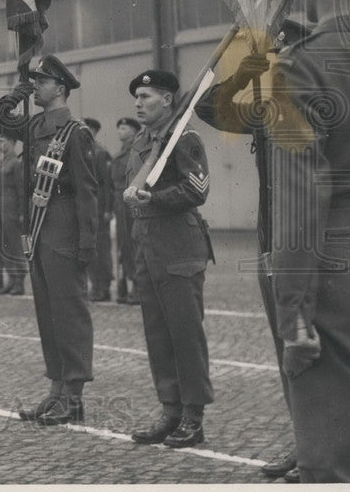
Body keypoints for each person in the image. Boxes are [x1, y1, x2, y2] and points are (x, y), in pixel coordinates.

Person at [266, 0, 350, 483]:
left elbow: (300, 201)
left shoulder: (304, 67)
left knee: (338, 463)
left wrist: (294, 313)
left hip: (341, 275)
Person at [193, 20, 308, 481]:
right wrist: (242, 74)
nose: (282, 67)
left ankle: (330, 446)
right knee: (288, 350)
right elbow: (207, 107)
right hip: (272, 246)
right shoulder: (267, 112)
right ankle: (307, 442)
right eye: (277, 60)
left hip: (313, 248)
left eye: (288, 56)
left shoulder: (329, 107)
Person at [0, 56, 97, 425]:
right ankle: (56, 389)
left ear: (60, 88)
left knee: (69, 314)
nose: (36, 86)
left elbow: (87, 192)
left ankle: (74, 396)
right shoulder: (34, 126)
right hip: (38, 226)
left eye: (41, 82)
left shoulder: (75, 132)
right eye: (33, 81)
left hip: (64, 226)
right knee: (47, 314)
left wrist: (87, 244)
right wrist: (18, 91)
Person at [124, 69, 214, 448]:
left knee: (184, 333)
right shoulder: (143, 140)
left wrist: (156, 199)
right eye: (137, 97)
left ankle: (193, 416)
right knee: (158, 333)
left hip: (178, 246)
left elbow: (198, 189)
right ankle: (170, 409)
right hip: (147, 244)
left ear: (167, 99)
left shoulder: (183, 137)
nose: (138, 103)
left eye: (146, 97)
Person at [83, 118, 115, 302]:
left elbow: (107, 185)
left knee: (101, 249)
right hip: (86, 208)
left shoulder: (100, 153)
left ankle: (103, 287)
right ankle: (95, 285)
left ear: (94, 131)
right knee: (89, 248)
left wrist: (108, 209)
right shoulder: (81, 151)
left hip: (98, 208)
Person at [111, 118, 141, 305]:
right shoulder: (120, 152)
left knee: (133, 243)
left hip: (130, 202)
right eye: (119, 128)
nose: (119, 131)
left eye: (123, 128)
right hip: (119, 202)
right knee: (123, 243)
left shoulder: (135, 152)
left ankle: (137, 285)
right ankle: (123, 283)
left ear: (132, 132)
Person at [0, 133, 27, 296]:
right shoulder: (2, 163)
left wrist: (22, 213)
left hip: (12, 209)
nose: (1, 144)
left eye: (4, 141)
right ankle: (12, 280)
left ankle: (19, 282)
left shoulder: (16, 163)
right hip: (0, 210)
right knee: (3, 246)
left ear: (13, 142)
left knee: (15, 246)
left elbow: (22, 190)